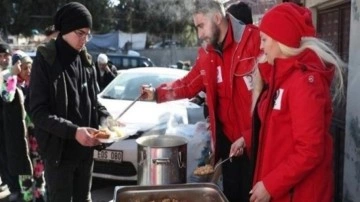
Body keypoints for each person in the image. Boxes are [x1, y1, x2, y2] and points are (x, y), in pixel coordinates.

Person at [141, 0, 261, 201]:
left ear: (216, 18)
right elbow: (189, 83)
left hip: (257, 146)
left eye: (200, 26)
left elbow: (268, 96)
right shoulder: (207, 53)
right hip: (229, 148)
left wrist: (248, 136)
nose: (199, 35)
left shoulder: (254, 40)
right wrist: (156, 94)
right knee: (231, 196)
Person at [250, 3, 344, 202]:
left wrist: (270, 185)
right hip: (283, 188)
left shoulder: (304, 83)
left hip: (299, 193)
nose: (260, 47)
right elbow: (273, 127)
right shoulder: (281, 77)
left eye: (264, 40)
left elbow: (310, 149)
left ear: (280, 40)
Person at [29, 2, 113, 202]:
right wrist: (74, 132)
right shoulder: (45, 61)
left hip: (85, 156)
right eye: (80, 33)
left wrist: (107, 120)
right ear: (65, 29)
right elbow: (39, 112)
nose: (84, 40)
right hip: (59, 157)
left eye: (88, 34)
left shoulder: (86, 62)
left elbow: (94, 103)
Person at [0, 42, 23, 201]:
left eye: (6, 55)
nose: (4, 59)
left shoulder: (12, 75)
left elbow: (8, 97)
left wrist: (11, 74)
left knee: (11, 157)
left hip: (10, 125)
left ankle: (15, 188)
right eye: (1, 56)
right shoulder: (8, 74)